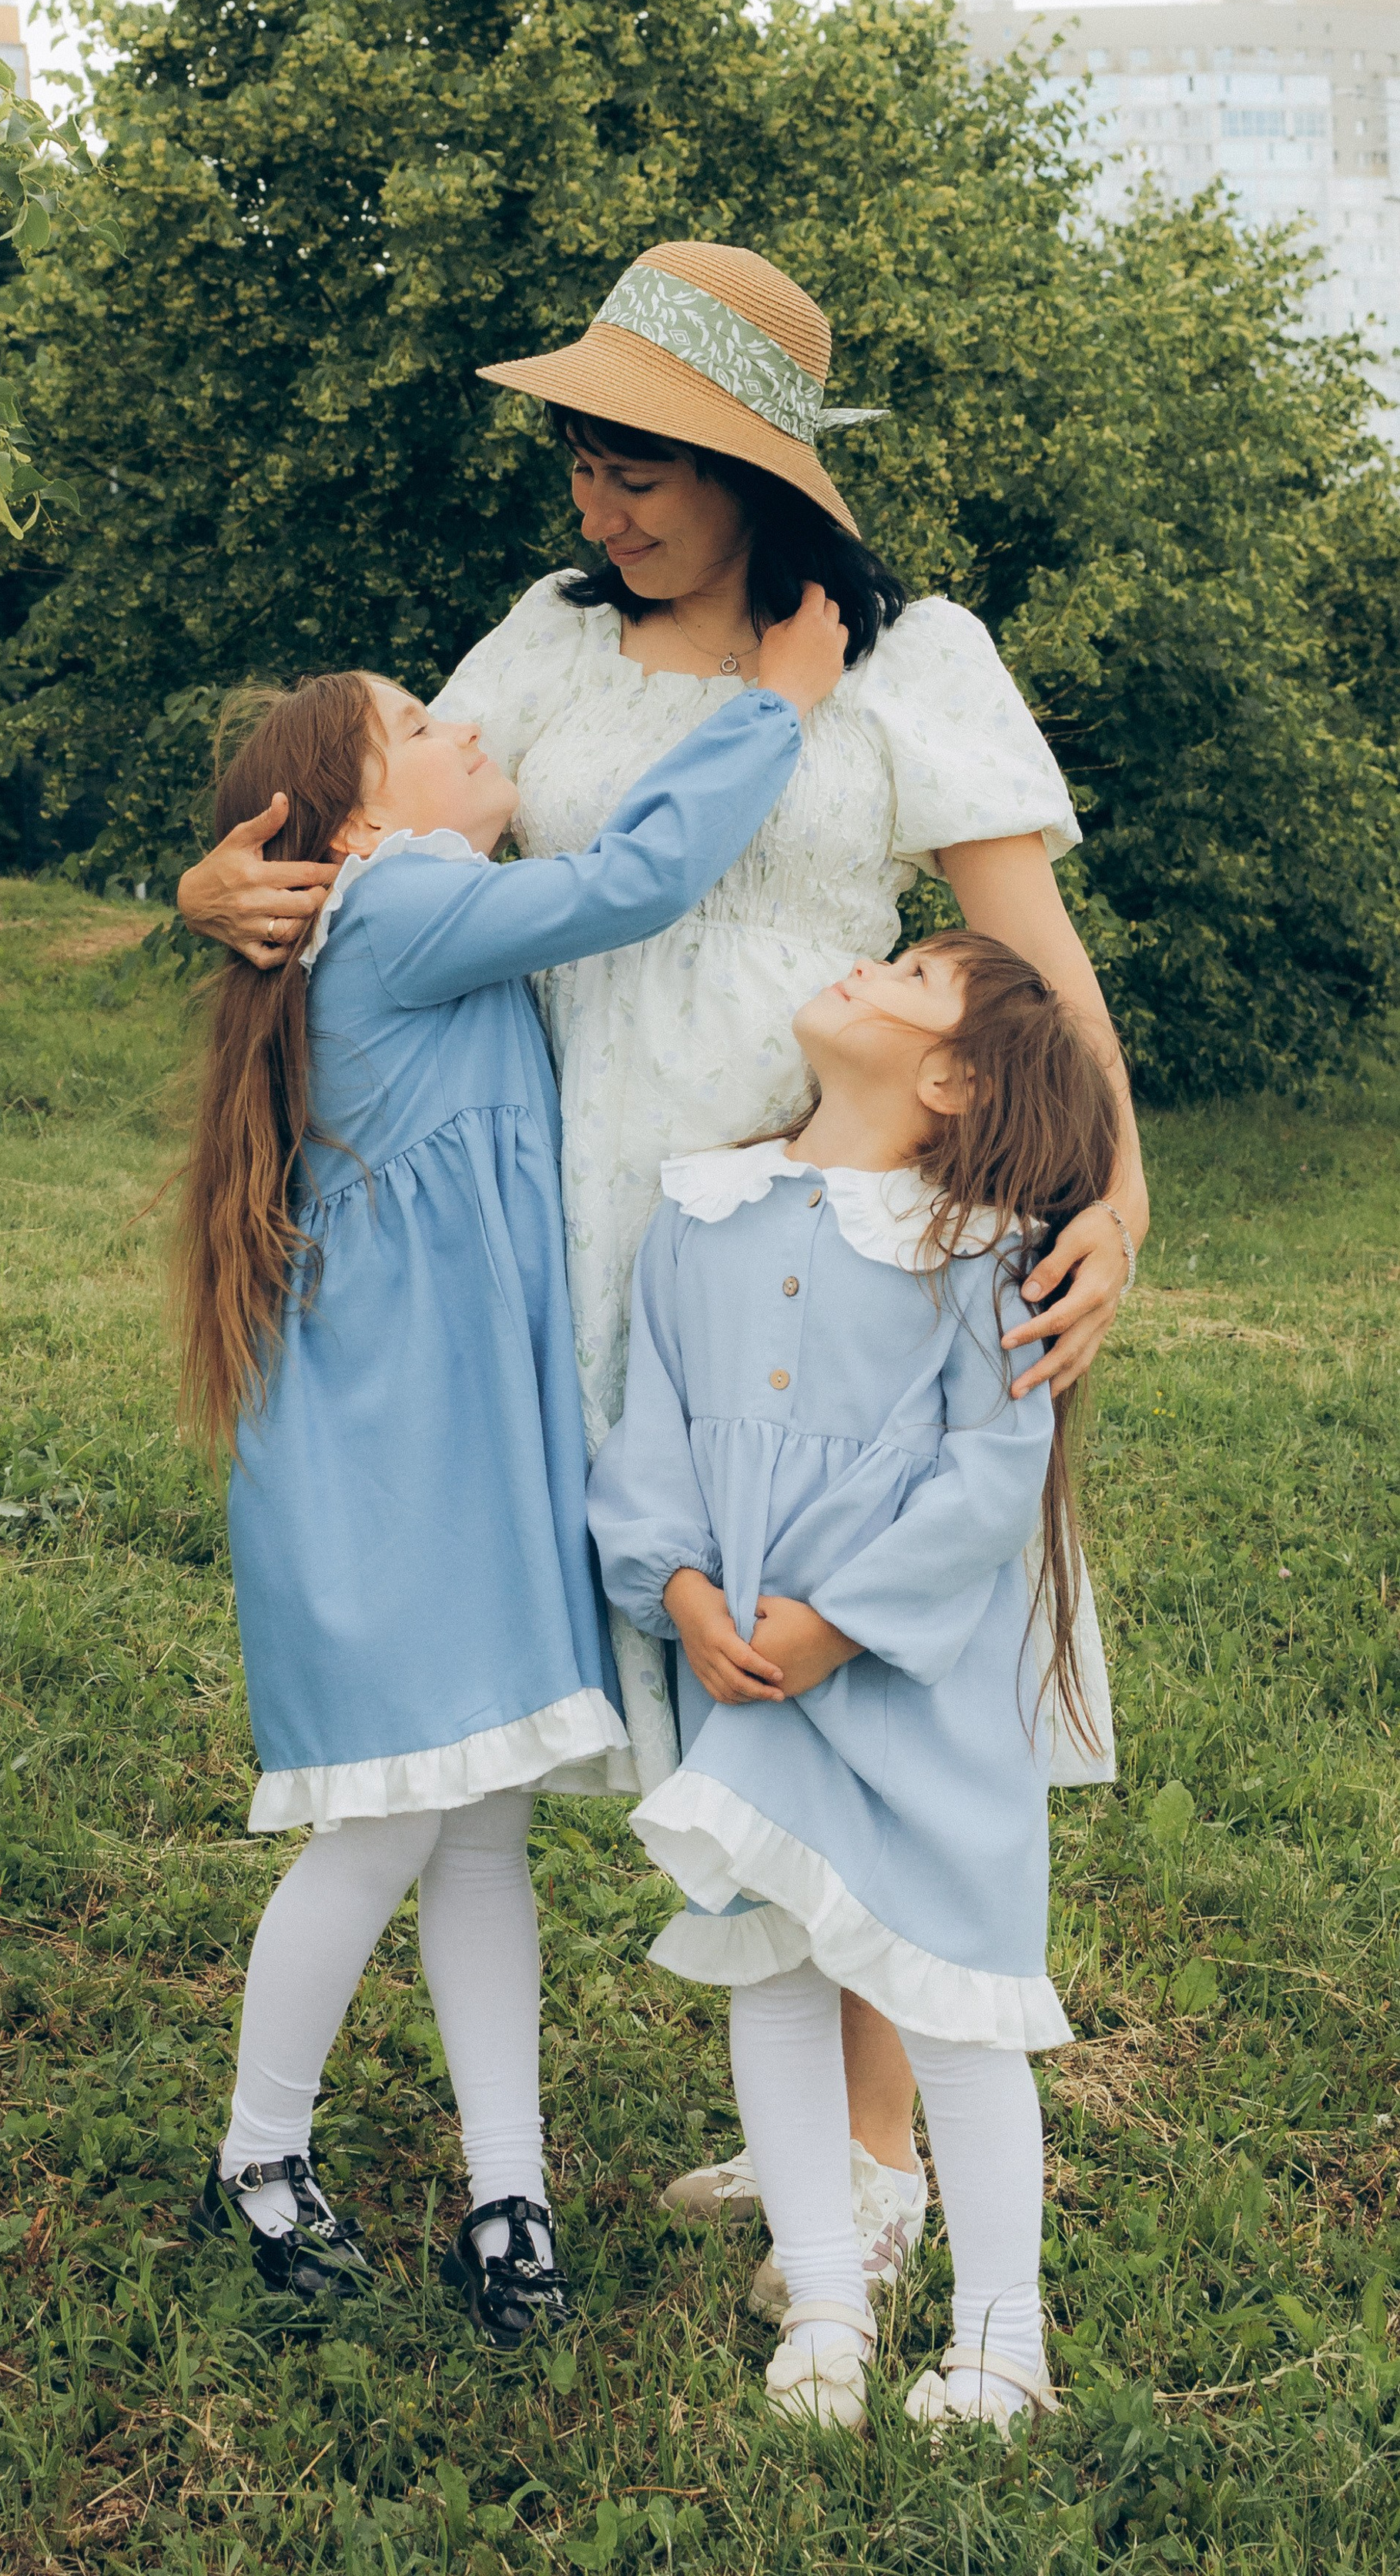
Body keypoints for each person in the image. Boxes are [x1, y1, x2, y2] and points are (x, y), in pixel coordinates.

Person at [178, 239, 1147, 2287]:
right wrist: (215, 880)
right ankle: (808, 2117)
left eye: (640, 469)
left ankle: (881, 2160)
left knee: (838, 1634)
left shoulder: (905, 659)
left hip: (834, 1220)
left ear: (751, 470)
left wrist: (1117, 1190)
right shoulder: (542, 644)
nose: (599, 510)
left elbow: (1024, 966)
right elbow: (376, 823)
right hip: (572, 1232)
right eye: (581, 467)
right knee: (690, 1646)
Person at [179, 602, 846, 2341]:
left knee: (476, 1838)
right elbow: (628, 882)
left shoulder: (393, 915)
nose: (474, 729)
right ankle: (259, 2156)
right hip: (396, 1481)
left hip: (452, 1468)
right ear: (364, 821)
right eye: (423, 720)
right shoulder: (398, 909)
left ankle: (509, 2191)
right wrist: (767, 714)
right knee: (387, 1830)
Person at [588, 929, 1119, 2434]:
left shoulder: (982, 1247)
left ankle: (999, 2340)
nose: (862, 968)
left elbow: (985, 1476)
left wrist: (836, 1619)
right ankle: (821, 2299)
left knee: (955, 1999)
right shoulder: (698, 1214)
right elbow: (652, 1431)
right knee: (765, 1964)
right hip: (740, 1669)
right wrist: (677, 1587)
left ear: (950, 1076)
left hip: (909, 1682)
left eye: (905, 974)